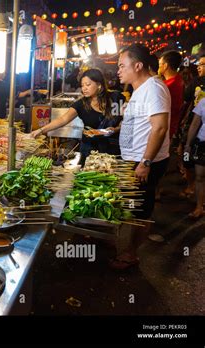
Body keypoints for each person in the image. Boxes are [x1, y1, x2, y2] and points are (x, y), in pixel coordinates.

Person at [113, 43, 171, 270]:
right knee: (132, 206)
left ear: (137, 65)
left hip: (145, 161)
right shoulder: (140, 88)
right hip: (134, 159)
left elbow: (159, 128)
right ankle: (125, 247)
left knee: (141, 209)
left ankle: (130, 255)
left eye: (121, 65)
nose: (118, 70)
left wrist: (145, 162)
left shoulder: (154, 88)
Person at [30, 68, 125, 164]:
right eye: (82, 85)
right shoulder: (81, 104)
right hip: (89, 150)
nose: (84, 88)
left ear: (99, 85)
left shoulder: (115, 98)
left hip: (112, 149)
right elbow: (63, 119)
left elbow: (126, 120)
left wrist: (116, 129)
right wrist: (40, 130)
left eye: (88, 85)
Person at [177, 54, 205, 198]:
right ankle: (190, 184)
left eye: (202, 64)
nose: (199, 67)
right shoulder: (196, 82)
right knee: (186, 154)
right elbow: (186, 98)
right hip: (194, 122)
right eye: (199, 64)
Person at [184, 98, 205, 218]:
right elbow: (195, 124)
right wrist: (188, 144)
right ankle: (199, 207)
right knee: (199, 176)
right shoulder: (203, 102)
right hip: (202, 143)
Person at [158, 50, 184, 139]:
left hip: (165, 128)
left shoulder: (169, 86)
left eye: (160, 64)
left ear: (165, 66)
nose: (159, 66)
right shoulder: (178, 79)